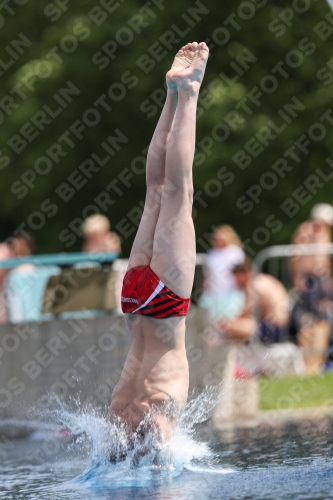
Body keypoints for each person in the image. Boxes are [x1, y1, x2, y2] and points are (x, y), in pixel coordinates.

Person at [108, 42, 209, 446]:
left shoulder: (150, 415)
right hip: (134, 301)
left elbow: (161, 460)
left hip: (164, 306)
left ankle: (188, 93)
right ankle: (172, 93)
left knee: (177, 193)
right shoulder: (118, 416)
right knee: (155, 191)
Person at [290, 203, 333, 373]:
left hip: (320, 281)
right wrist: (297, 277)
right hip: (308, 282)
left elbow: (322, 260)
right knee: (307, 322)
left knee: (322, 321)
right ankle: (308, 363)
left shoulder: (324, 232)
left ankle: (318, 362)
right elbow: (295, 256)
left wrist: (327, 280)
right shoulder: (305, 230)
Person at [217, 258, 289, 344]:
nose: (234, 282)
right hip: (284, 328)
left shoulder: (253, 284)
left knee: (226, 326)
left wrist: (228, 322)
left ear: (244, 273)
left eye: (235, 277)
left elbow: (247, 312)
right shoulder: (265, 279)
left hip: (273, 330)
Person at [199, 225, 245, 319]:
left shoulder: (235, 251)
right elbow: (206, 275)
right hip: (212, 293)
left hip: (230, 292)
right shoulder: (212, 253)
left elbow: (240, 274)